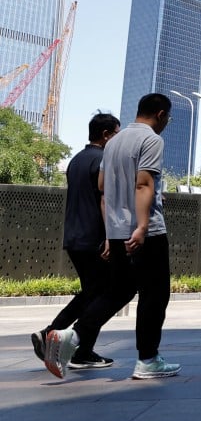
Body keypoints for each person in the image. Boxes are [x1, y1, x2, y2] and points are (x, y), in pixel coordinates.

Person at [44, 93, 181, 380]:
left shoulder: (114, 141)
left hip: (116, 232)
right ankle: (148, 360)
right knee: (155, 295)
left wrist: (109, 234)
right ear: (159, 114)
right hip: (147, 233)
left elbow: (104, 189)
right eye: (167, 117)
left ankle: (73, 336)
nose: (166, 122)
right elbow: (144, 184)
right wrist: (142, 227)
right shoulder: (152, 140)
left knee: (119, 291)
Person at [31, 112, 120, 370]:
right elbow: (106, 201)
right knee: (103, 293)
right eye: (116, 133)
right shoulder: (103, 161)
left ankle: (80, 349)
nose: (117, 138)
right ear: (105, 135)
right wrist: (109, 238)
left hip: (74, 237)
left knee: (93, 293)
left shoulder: (77, 160)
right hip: (94, 238)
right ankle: (54, 334)